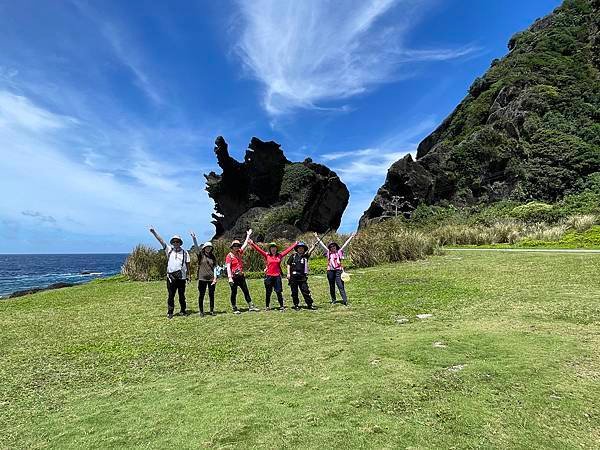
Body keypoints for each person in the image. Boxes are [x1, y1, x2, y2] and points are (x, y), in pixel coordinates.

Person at [149, 227, 191, 319]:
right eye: (174, 242)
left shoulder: (185, 253)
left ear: (180, 242)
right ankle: (170, 312)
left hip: (182, 277)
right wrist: (154, 232)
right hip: (170, 277)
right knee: (171, 295)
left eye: (178, 241)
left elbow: (188, 265)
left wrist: (189, 276)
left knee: (181, 295)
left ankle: (183, 310)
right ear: (172, 243)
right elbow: (161, 241)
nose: (176, 243)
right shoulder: (169, 250)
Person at [249, 239, 297, 310]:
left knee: (278, 291)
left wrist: (295, 244)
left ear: (276, 249)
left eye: (274, 247)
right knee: (268, 292)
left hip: (277, 276)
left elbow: (287, 250)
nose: (273, 249)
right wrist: (252, 244)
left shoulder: (280, 256)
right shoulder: (267, 255)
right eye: (272, 247)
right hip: (269, 276)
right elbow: (259, 250)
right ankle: (267, 306)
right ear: (270, 249)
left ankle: (281, 306)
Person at [314, 231, 356, 306]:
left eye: (334, 246)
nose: (333, 247)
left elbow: (345, 244)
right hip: (330, 271)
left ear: (336, 247)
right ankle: (333, 299)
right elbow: (322, 245)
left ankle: (345, 300)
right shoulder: (328, 252)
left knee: (340, 286)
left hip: (338, 271)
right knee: (332, 285)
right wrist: (317, 237)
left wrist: (351, 237)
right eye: (331, 247)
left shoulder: (339, 252)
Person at [226, 229, 259, 314]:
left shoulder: (239, 252)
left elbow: (245, 244)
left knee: (246, 291)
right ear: (232, 247)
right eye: (235, 246)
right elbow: (228, 267)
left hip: (241, 276)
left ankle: (251, 306)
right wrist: (230, 278)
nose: (237, 247)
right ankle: (234, 308)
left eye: (237, 245)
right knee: (234, 292)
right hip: (234, 277)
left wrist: (248, 235)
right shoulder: (229, 256)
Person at [190, 232, 218, 316]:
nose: (208, 248)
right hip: (202, 278)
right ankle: (201, 311)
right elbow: (196, 248)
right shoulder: (201, 255)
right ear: (204, 248)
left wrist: (215, 278)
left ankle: (211, 310)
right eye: (207, 247)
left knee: (211, 295)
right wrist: (194, 238)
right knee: (201, 295)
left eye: (210, 247)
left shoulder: (213, 256)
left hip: (211, 279)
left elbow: (215, 268)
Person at [286, 241, 317, 310]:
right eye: (299, 248)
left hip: (302, 277)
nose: (301, 249)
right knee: (294, 292)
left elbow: (310, 252)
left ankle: (309, 304)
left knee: (305, 291)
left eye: (302, 248)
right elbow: (288, 264)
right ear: (297, 249)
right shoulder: (293, 256)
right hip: (293, 277)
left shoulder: (305, 256)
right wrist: (288, 273)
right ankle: (296, 305)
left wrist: (314, 246)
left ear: (304, 249)